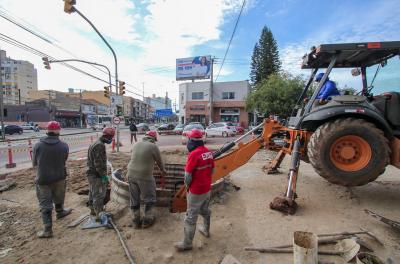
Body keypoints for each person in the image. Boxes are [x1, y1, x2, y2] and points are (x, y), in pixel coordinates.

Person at [175, 129, 215, 251]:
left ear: (191, 140)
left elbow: (187, 175)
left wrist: (187, 187)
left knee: (191, 216)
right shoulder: (208, 152)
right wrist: (206, 180)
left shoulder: (193, 154)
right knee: (204, 210)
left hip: (196, 190)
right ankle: (206, 230)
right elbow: (212, 170)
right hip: (206, 188)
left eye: (188, 139)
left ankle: (187, 243)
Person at [33, 121, 71, 238]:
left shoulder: (38, 145)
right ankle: (60, 212)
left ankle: (48, 229)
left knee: (45, 203)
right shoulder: (64, 145)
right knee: (59, 195)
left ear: (47, 130)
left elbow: (35, 163)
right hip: (59, 176)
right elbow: (64, 160)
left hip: (43, 178)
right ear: (58, 131)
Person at [126, 130, 167, 229]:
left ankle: (135, 221)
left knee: (134, 198)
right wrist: (163, 171)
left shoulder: (136, 144)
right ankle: (147, 220)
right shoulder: (153, 146)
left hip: (130, 173)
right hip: (144, 176)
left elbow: (136, 157)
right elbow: (159, 162)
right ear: (153, 139)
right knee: (150, 198)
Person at [86, 127, 115, 221]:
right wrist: (104, 176)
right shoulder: (100, 145)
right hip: (96, 175)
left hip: (91, 173)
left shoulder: (96, 143)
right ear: (107, 136)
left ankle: (93, 211)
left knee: (92, 192)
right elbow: (98, 163)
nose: (111, 140)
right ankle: (99, 215)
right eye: (111, 137)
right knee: (98, 194)